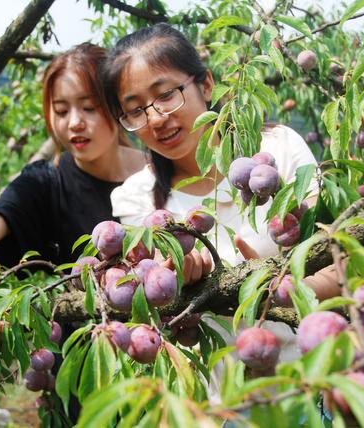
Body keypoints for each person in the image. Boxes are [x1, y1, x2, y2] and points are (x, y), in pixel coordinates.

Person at [102, 23, 341, 402]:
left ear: (206, 85)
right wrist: (178, 283)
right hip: (223, 406)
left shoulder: (277, 150)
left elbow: (337, 270)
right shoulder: (137, 200)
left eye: (166, 95)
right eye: (135, 111)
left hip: (315, 388)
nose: (157, 117)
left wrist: (274, 290)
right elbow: (159, 311)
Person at [0, 43, 146, 299]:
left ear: (117, 105)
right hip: (93, 335)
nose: (74, 123)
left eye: (89, 107)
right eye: (62, 111)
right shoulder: (46, 181)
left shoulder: (157, 170)